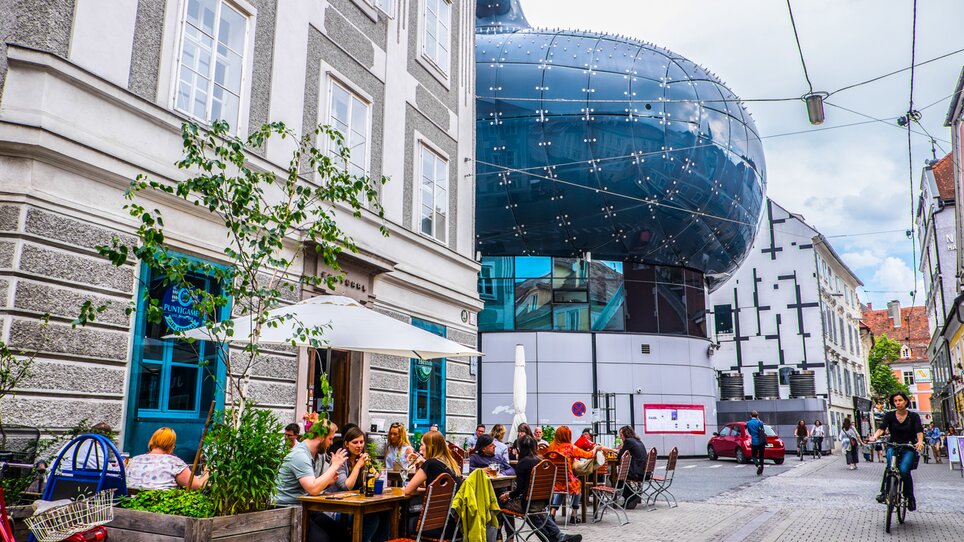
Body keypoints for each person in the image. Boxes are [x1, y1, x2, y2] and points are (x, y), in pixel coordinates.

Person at [275, 418, 349, 542]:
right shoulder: (300, 455)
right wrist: (335, 465)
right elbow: (313, 488)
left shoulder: (318, 455)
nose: (331, 443)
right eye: (330, 439)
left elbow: (313, 485)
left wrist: (327, 483)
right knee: (322, 539)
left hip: (304, 507)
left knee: (341, 533)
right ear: (321, 437)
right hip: (286, 508)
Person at [498, 436, 583, 542]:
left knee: (501, 501)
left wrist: (508, 495)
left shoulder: (522, 463)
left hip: (528, 503)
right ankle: (558, 536)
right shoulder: (542, 461)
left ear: (520, 449)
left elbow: (519, 490)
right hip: (543, 502)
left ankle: (503, 537)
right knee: (537, 513)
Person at [869, 392, 925, 511]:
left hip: (908, 446)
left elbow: (919, 431)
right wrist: (875, 436)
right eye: (895, 401)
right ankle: (884, 492)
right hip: (893, 445)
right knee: (890, 467)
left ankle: (909, 497)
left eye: (900, 400)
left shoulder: (913, 416)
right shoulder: (889, 416)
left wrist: (919, 442)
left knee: (904, 470)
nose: (898, 403)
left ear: (905, 401)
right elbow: (882, 428)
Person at [403, 431, 463, 539]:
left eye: (422, 445)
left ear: (431, 446)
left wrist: (424, 465)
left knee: (402, 520)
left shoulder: (431, 463)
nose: (420, 449)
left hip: (435, 527)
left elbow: (408, 490)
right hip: (454, 526)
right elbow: (433, 490)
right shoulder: (452, 464)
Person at [335, 426, 389, 542]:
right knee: (372, 518)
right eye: (355, 442)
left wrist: (369, 465)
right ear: (346, 443)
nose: (359, 445)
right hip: (339, 509)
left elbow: (377, 479)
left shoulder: (362, 459)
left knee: (385, 514)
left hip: (358, 505)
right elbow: (346, 486)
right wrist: (358, 466)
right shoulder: (341, 461)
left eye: (361, 442)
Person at [127, 427, 209, 490]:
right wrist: (208, 471)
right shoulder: (174, 463)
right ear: (171, 445)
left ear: (152, 441)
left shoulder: (134, 460)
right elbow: (198, 485)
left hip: (131, 506)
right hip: (160, 509)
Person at [546, 426, 598, 524]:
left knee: (563, 487)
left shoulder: (551, 447)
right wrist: (595, 448)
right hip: (568, 479)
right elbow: (589, 455)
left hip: (554, 481)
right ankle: (574, 515)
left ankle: (552, 514)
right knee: (577, 485)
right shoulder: (570, 448)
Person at [615, 426, 648, 509]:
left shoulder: (628, 442)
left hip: (636, 473)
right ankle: (631, 497)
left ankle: (631, 497)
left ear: (625, 435)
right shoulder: (638, 441)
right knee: (621, 478)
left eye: (621, 435)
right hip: (644, 472)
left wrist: (620, 449)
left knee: (617, 478)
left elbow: (620, 457)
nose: (621, 437)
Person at [746, 411, 766, 476]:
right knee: (761, 456)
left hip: (754, 441)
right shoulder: (760, 422)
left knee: (754, 455)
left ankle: (758, 465)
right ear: (757, 416)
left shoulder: (748, 423)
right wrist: (758, 419)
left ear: (750, 416)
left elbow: (749, 431)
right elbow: (763, 430)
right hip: (761, 441)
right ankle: (761, 470)